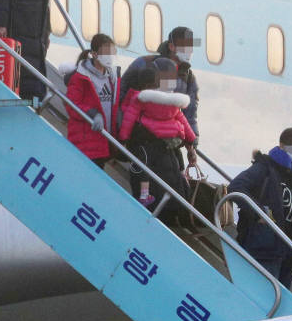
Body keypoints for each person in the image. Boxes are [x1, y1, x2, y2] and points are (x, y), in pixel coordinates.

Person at [229, 127, 292, 290]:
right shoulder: (266, 167)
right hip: (266, 247)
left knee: (281, 300)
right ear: (282, 145)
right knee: (263, 296)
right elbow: (236, 186)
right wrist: (259, 212)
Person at [119, 58, 196, 216]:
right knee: (175, 170)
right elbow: (182, 120)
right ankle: (181, 200)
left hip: (147, 139)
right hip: (171, 141)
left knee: (143, 169)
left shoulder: (141, 99)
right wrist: (191, 139)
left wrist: (123, 137)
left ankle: (144, 196)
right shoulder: (174, 103)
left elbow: (129, 117)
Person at [121, 25, 199, 142]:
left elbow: (190, 114)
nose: (189, 51)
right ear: (171, 46)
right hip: (141, 137)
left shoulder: (188, 77)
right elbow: (121, 96)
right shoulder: (144, 64)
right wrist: (120, 134)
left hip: (168, 139)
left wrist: (193, 141)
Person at [65, 34, 118, 167]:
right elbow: (71, 105)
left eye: (112, 52)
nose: (109, 57)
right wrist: (93, 114)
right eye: (106, 53)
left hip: (104, 140)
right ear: (94, 54)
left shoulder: (112, 78)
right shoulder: (80, 77)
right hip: (86, 141)